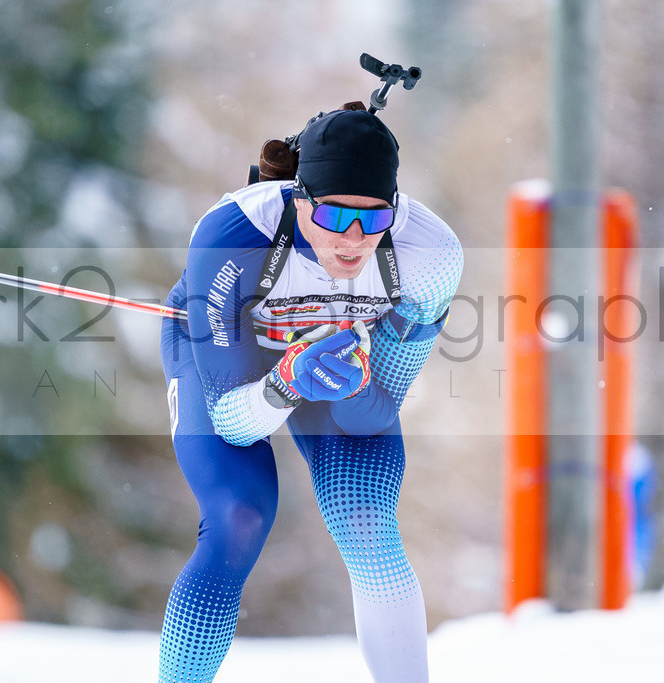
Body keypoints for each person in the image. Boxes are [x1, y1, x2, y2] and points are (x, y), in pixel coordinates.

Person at [158, 107, 463, 682]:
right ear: (299, 199)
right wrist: (286, 382)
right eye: (333, 215)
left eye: (374, 218)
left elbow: (373, 417)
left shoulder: (430, 257)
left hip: (331, 354)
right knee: (238, 517)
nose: (354, 239)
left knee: (368, 522)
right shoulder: (232, 235)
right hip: (233, 356)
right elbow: (232, 422)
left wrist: (353, 384)